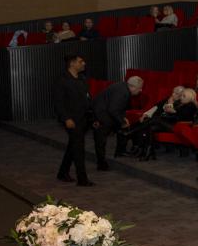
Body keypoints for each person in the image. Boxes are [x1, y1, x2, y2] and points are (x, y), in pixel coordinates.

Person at [53, 53, 94, 186]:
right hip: (71, 120)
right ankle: (82, 179)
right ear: (72, 63)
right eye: (81, 61)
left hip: (83, 118)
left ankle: (62, 172)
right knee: (78, 148)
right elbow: (59, 102)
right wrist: (66, 119)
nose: (84, 64)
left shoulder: (82, 78)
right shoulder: (62, 80)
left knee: (73, 146)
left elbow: (87, 99)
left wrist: (93, 117)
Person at [92, 76, 143, 166]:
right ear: (133, 87)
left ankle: (120, 151)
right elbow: (113, 109)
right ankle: (101, 163)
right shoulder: (123, 92)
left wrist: (123, 118)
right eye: (139, 88)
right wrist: (122, 122)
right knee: (101, 139)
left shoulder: (123, 86)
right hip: (101, 114)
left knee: (121, 129)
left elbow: (119, 107)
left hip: (104, 111)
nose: (141, 90)